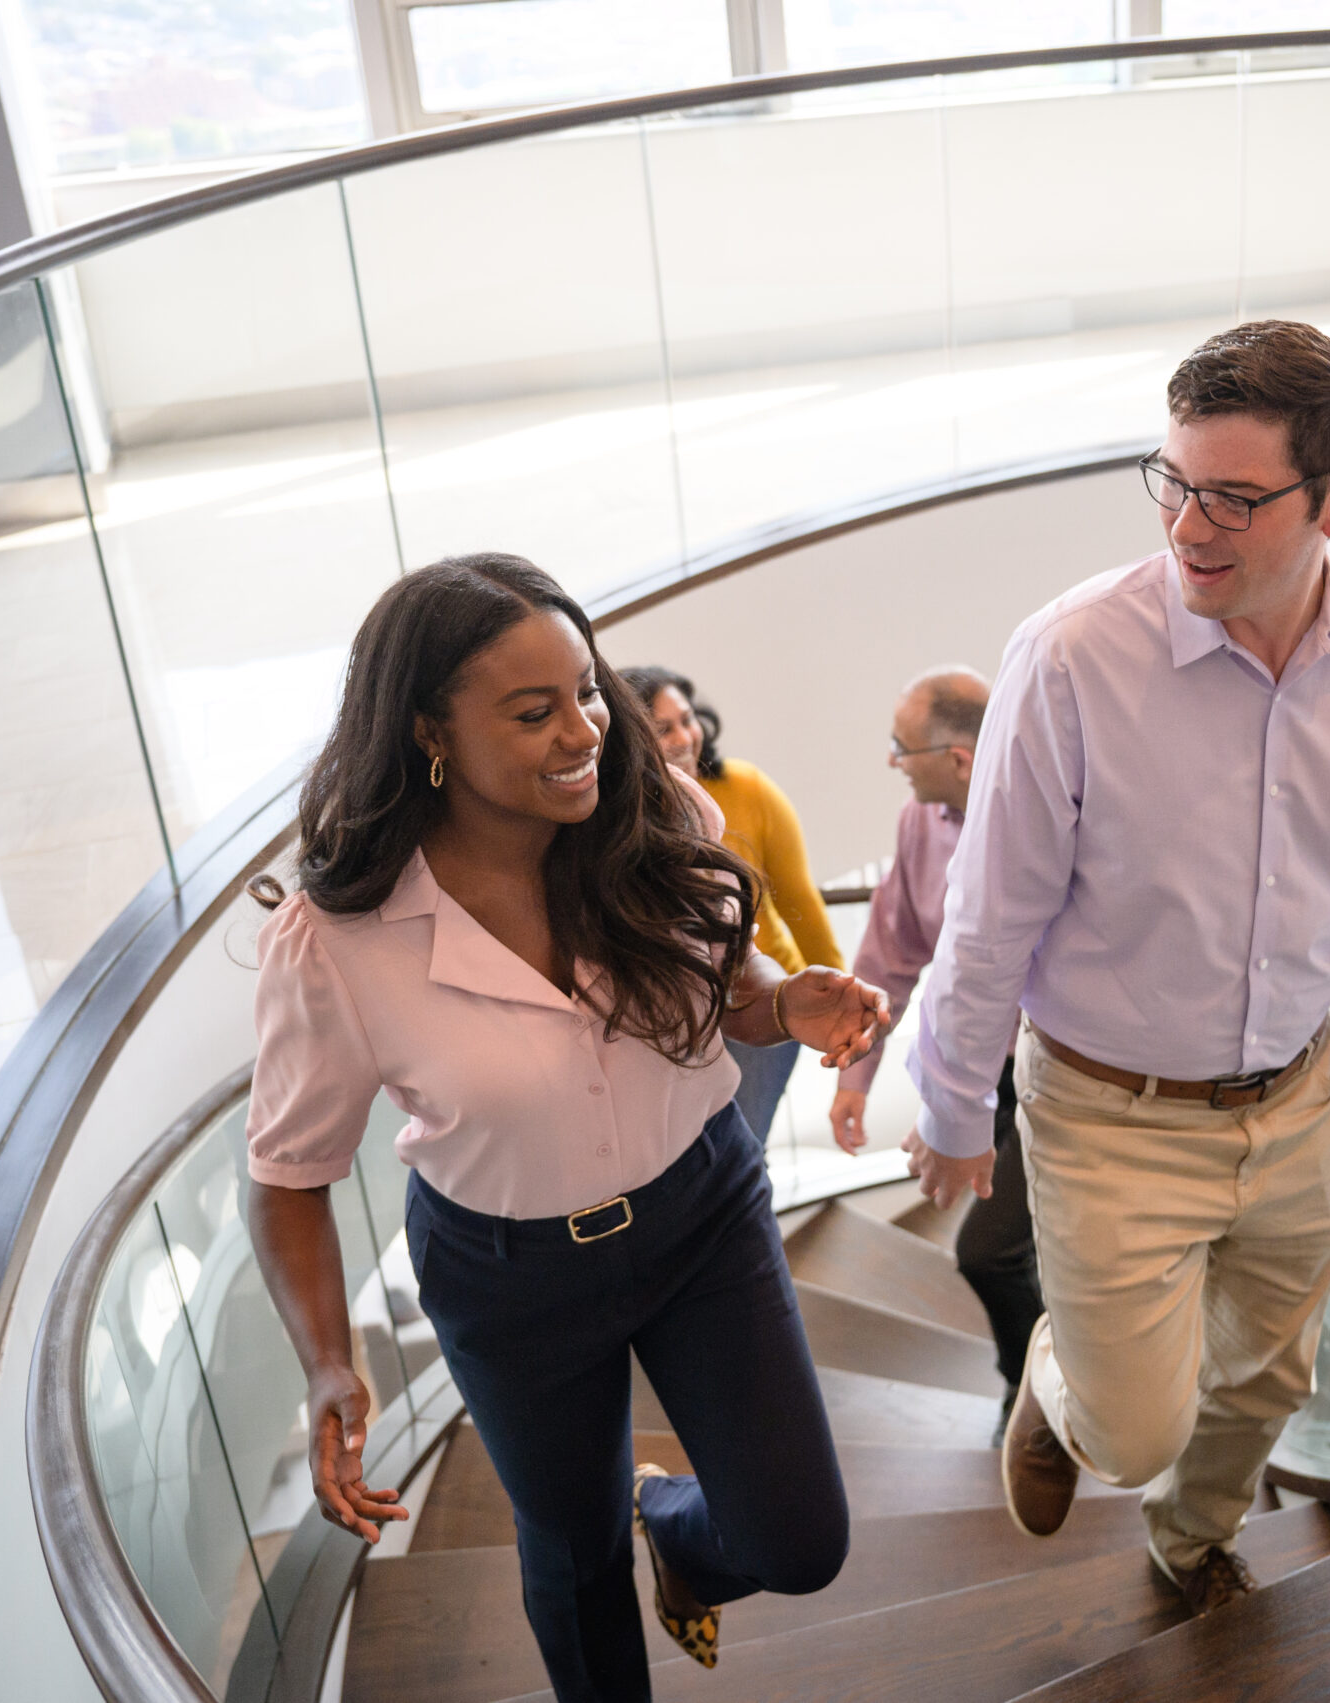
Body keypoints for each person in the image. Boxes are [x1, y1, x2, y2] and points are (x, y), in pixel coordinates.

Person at [243, 555, 888, 1702]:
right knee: (573, 1554)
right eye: (534, 711)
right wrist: (328, 1363)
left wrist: (787, 1000)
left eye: (587, 692)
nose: (585, 729)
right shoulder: (335, 940)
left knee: (799, 1539)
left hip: (704, 1213)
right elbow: (291, 1175)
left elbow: (726, 989)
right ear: (429, 729)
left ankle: (675, 1525)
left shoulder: (664, 814)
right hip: (509, 1274)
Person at [907, 321, 1330, 1618]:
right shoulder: (1070, 657)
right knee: (1133, 1428)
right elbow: (989, 919)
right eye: (1171, 481)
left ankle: (1188, 1540)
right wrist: (947, 1108)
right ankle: (1066, 1386)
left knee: (1270, 1379)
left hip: (1302, 1088)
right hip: (1110, 1108)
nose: (1188, 527)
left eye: (1232, 497)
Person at [826, 666, 1041, 1441]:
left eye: (901, 747)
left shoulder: (1045, 815)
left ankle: (1044, 1394)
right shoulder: (919, 825)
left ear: (957, 756)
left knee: (990, 1253)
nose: (893, 761)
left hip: (1064, 1075)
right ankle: (1040, 1383)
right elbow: (889, 956)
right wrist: (857, 1073)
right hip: (990, 1078)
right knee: (1008, 1248)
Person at [624, 667, 846, 1147]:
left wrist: (839, 997)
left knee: (741, 1148)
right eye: (664, 729)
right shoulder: (621, 819)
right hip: (681, 1018)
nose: (685, 736)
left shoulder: (747, 789)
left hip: (762, 999)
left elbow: (799, 900)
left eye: (687, 719)